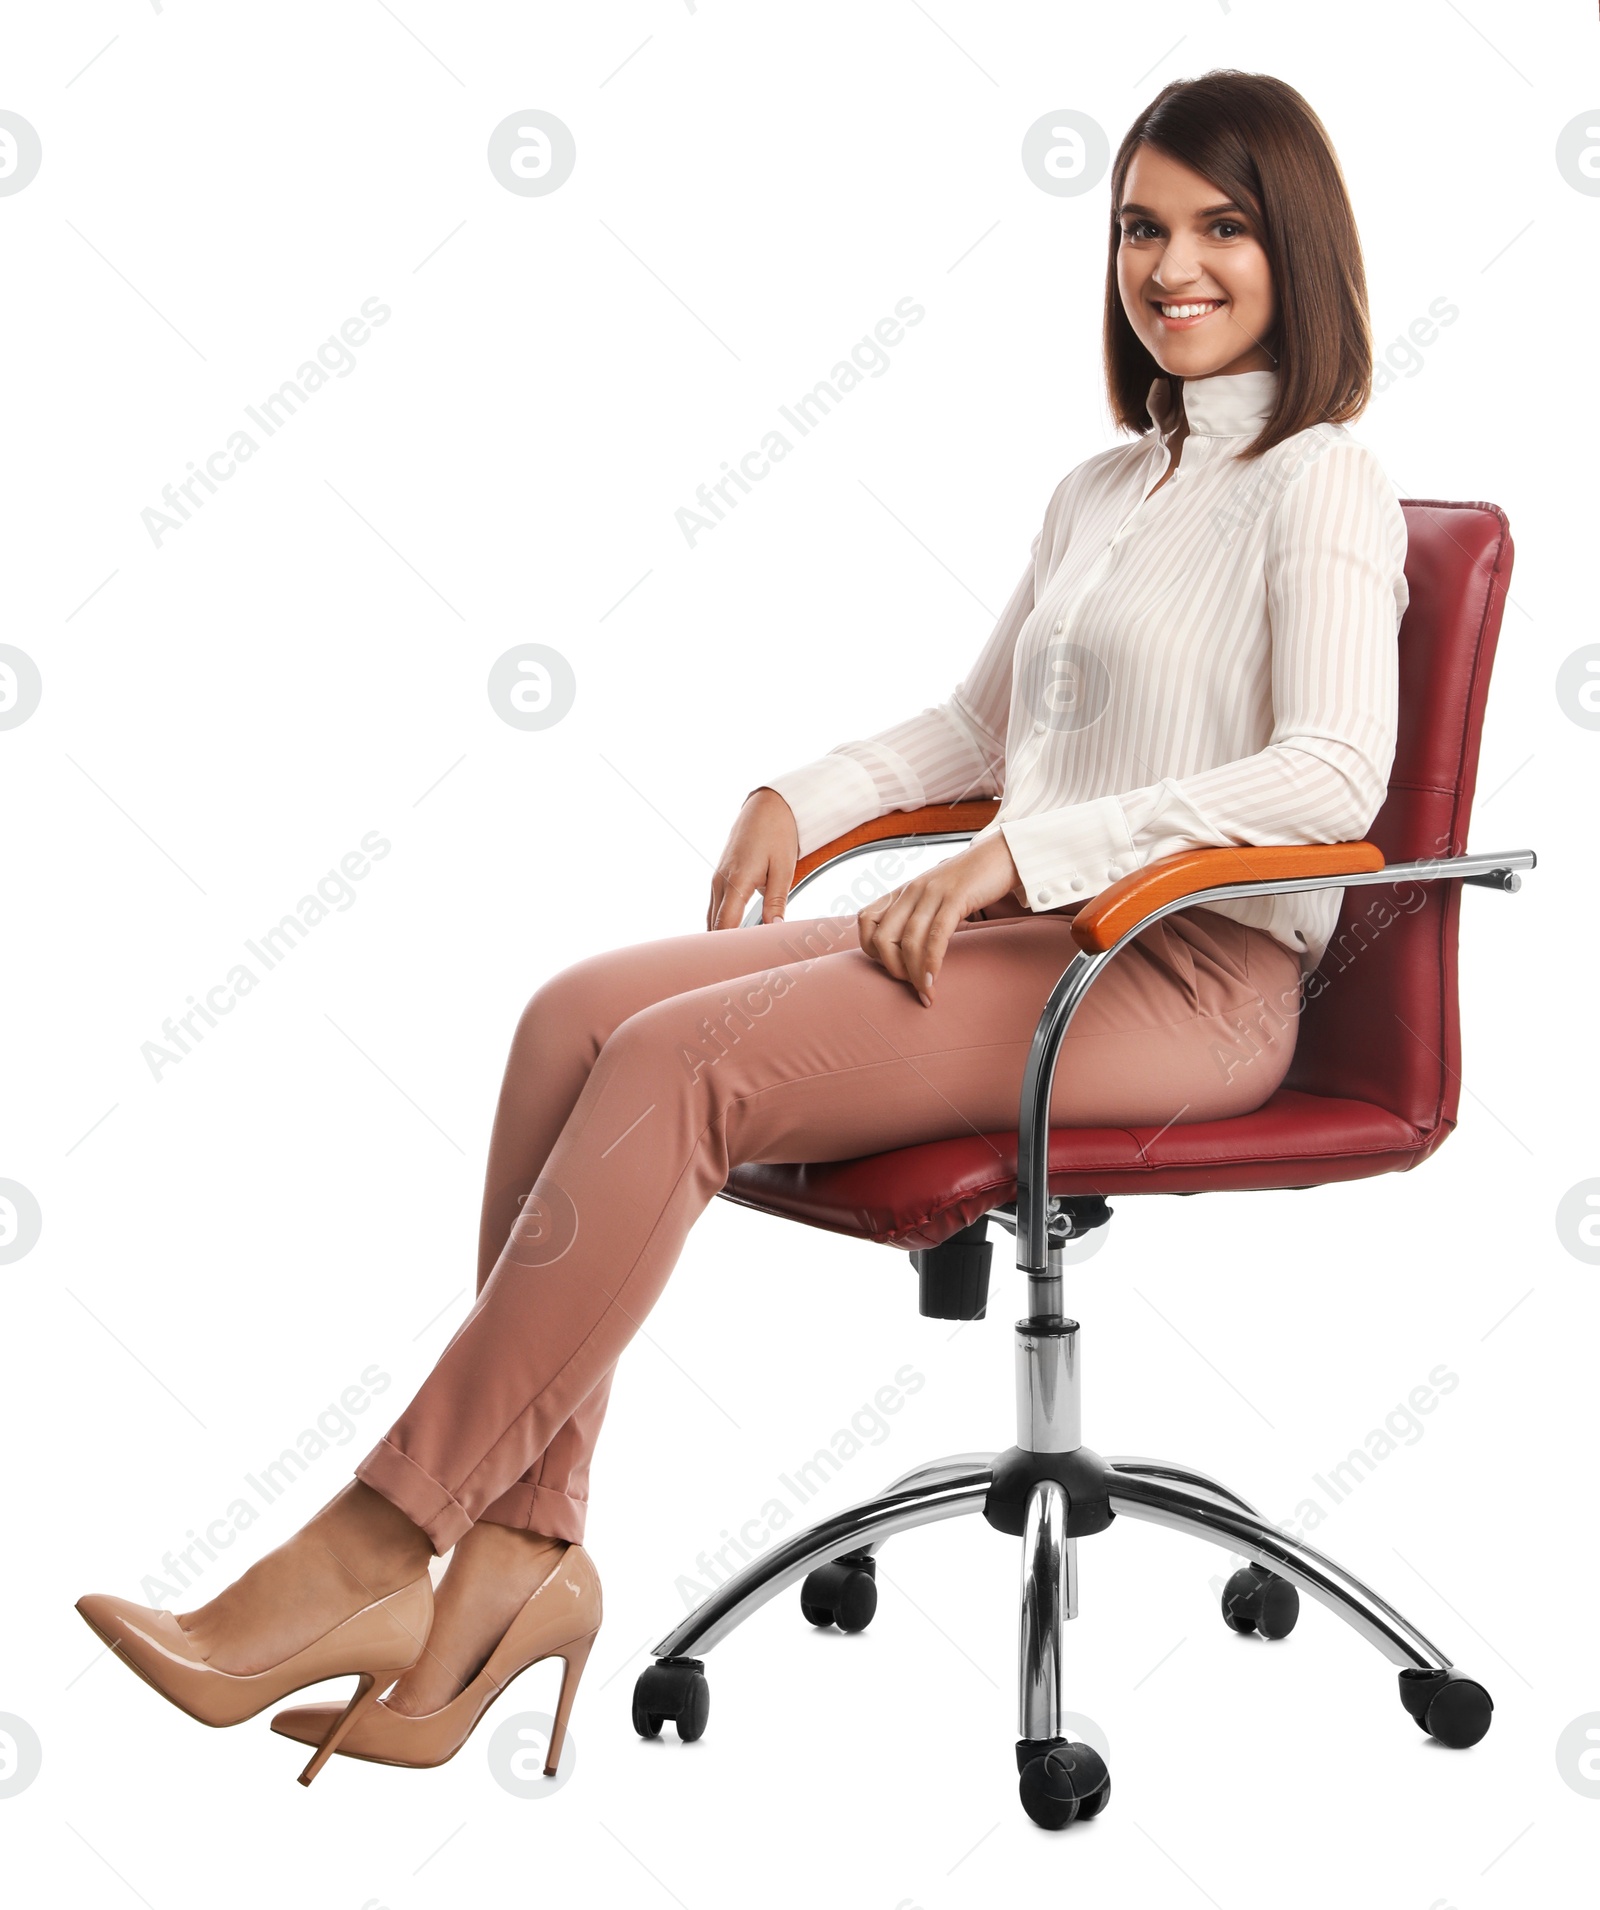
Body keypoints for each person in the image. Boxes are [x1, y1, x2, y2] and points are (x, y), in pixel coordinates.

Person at [76, 67, 1408, 1785]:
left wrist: (1026, 859)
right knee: (580, 1013)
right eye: (1142, 226)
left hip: (1186, 980)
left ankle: (373, 1541)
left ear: (1296, 245)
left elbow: (1328, 774)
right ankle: (525, 1557)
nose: (1174, 266)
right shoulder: (1102, 489)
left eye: (1222, 226)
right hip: (1049, 943)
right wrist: (816, 792)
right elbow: (985, 733)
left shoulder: (1324, 480)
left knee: (682, 1066)